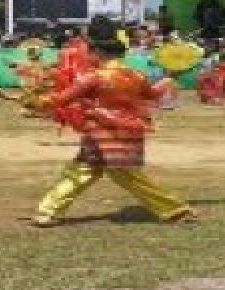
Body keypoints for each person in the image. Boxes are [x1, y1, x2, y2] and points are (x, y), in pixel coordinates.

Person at [29, 16, 196, 228]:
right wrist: (171, 77)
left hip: (102, 133)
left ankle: (174, 209)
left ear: (97, 52)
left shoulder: (93, 77)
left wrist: (34, 102)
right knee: (84, 170)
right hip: (128, 131)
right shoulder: (136, 75)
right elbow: (153, 94)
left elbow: (60, 99)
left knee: (120, 175)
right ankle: (47, 211)